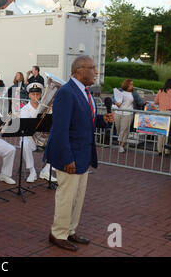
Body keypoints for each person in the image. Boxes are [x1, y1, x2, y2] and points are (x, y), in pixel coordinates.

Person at [44, 55, 114, 252]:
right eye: (93, 68)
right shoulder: (67, 92)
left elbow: (84, 120)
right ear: (80, 70)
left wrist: (102, 120)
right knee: (66, 197)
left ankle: (70, 230)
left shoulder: (84, 92)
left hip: (83, 155)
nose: (96, 72)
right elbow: (60, 130)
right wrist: (67, 158)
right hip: (70, 157)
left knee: (77, 198)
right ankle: (58, 234)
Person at [20, 83, 57, 183]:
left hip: (43, 138)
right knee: (24, 144)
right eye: (33, 94)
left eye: (37, 94)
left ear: (41, 95)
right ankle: (32, 171)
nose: (35, 96)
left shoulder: (45, 108)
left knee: (58, 142)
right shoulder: (24, 109)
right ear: (29, 95)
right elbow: (26, 127)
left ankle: (46, 170)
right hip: (31, 139)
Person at [155, 78, 171, 155]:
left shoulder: (160, 91)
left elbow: (156, 101)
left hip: (161, 112)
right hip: (169, 113)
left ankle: (159, 150)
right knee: (168, 132)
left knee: (160, 132)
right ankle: (167, 150)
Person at [113, 79, 135, 153]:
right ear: (127, 85)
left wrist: (144, 103)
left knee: (124, 130)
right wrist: (115, 102)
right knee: (118, 129)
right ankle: (123, 143)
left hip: (128, 113)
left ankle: (122, 145)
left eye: (132, 84)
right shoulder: (119, 91)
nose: (132, 86)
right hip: (118, 113)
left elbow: (140, 101)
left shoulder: (134, 93)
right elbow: (112, 98)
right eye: (131, 84)